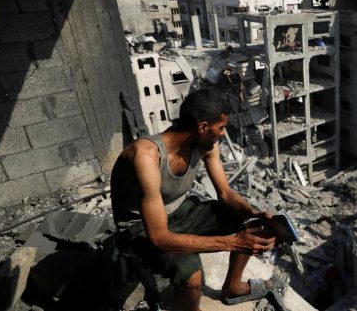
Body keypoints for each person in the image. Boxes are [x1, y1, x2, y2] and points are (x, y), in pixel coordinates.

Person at [110, 88, 276, 310]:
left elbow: (225, 193)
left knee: (250, 221)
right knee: (192, 276)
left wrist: (255, 216)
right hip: (140, 228)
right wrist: (232, 242)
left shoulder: (206, 144)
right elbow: (159, 237)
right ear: (203, 127)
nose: (223, 134)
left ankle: (233, 287)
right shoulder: (146, 156)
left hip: (178, 212)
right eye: (221, 127)